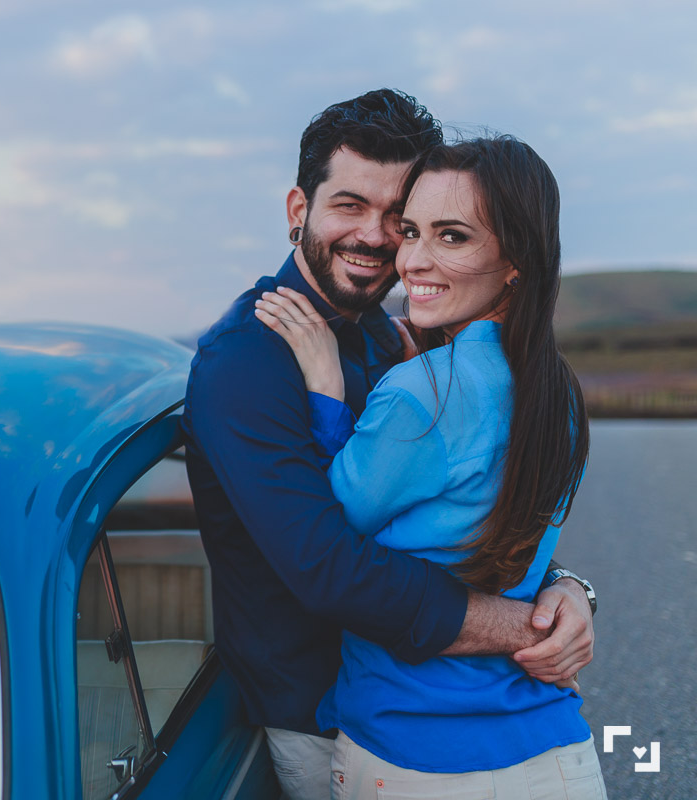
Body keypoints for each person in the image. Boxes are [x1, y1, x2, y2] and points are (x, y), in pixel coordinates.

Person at [181, 89, 597, 800]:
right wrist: (525, 624)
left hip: (422, 711)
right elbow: (330, 566)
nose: (376, 238)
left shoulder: (388, 334)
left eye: (397, 218)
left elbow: (450, 502)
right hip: (326, 714)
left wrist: (566, 587)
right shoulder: (246, 362)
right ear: (298, 209)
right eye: (350, 205)